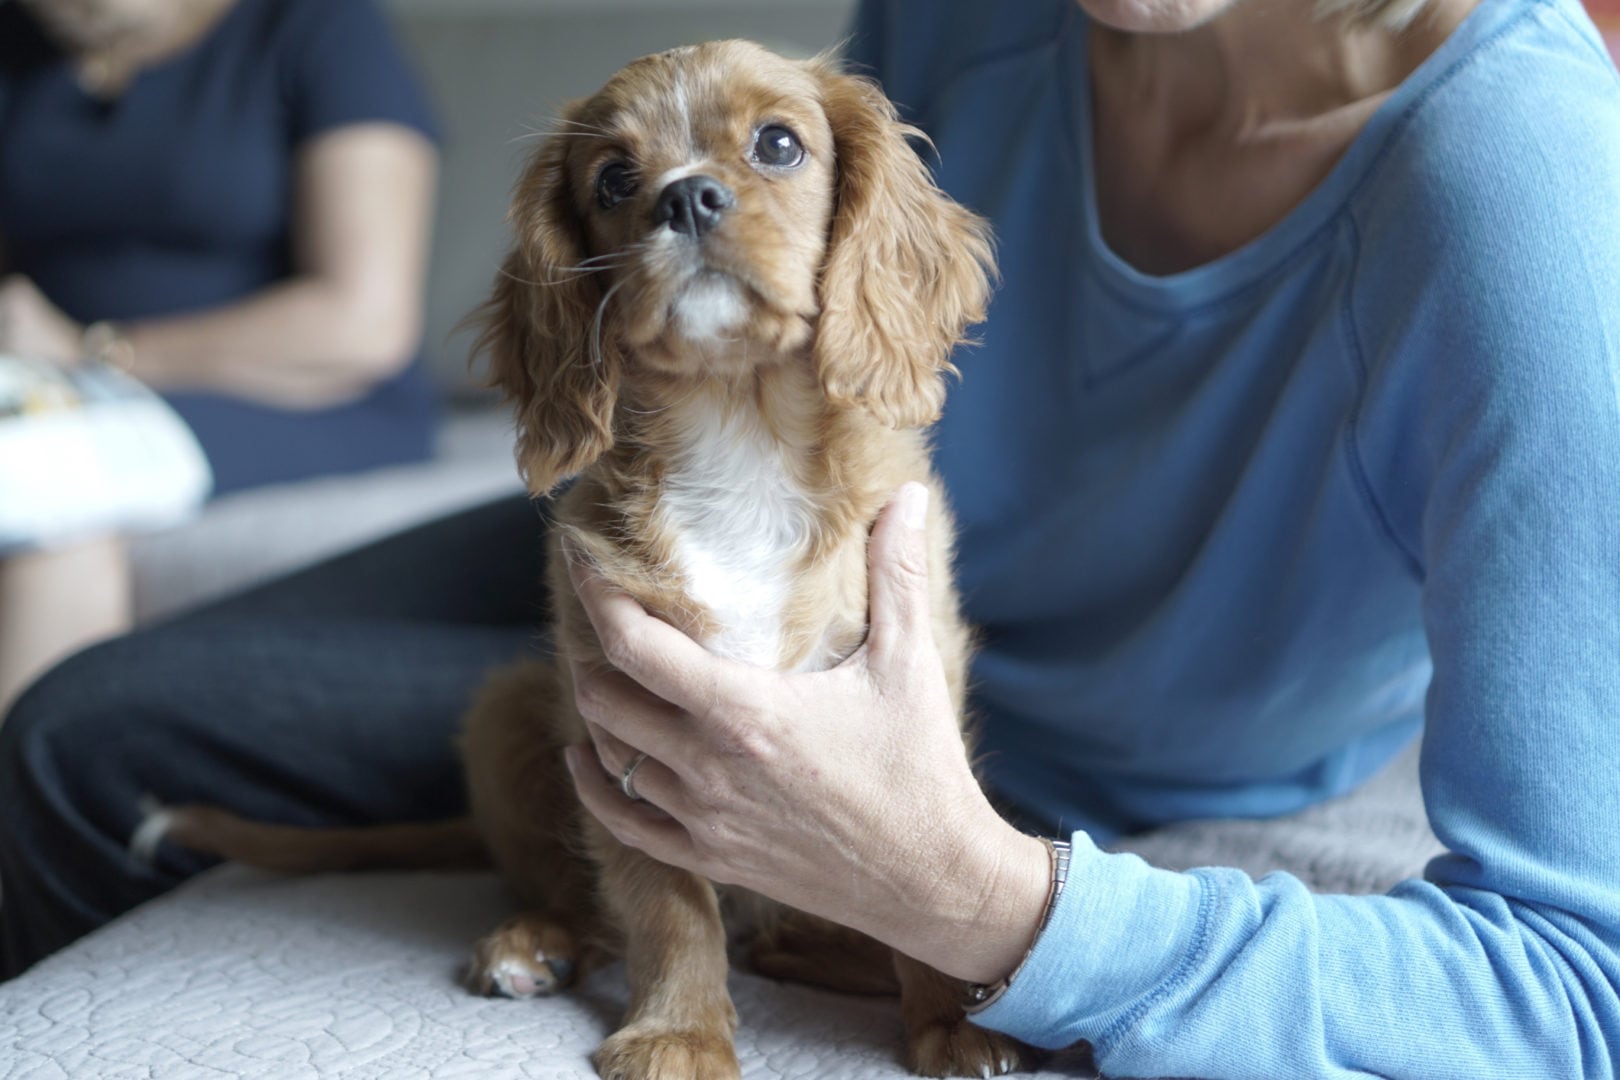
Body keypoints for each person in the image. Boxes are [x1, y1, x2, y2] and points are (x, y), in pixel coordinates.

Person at [3, 0, 1619, 1073]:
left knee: (92, 759)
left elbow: (1577, 983)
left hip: (1045, 754)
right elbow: (777, 274)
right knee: (76, 735)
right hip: (689, 511)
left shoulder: (1523, 183)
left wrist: (978, 900)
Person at [0, 0, 441, 709]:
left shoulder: (318, 26)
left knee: (46, 480)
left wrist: (94, 353)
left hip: (303, 393)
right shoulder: (20, 44)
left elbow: (364, 323)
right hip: (61, 391)